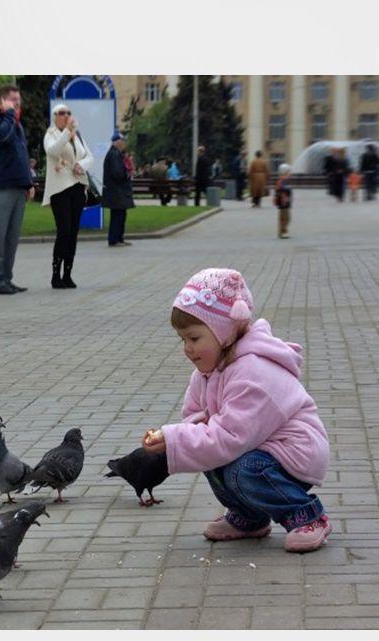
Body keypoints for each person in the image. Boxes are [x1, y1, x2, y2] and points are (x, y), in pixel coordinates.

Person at [141, 268, 331, 552]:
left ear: (224, 332)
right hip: (258, 449)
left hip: (294, 453)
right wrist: (180, 437)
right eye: (183, 340)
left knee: (243, 468)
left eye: (194, 338)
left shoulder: (253, 372)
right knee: (209, 456)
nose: (188, 349)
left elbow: (229, 437)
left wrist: (179, 438)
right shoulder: (205, 371)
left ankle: (307, 515)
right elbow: (195, 417)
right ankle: (250, 517)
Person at [0, 83, 34, 295]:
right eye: (13, 101)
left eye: (19, 101)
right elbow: (0, 137)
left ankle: (7, 278)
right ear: (3, 100)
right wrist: (10, 114)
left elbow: (21, 156)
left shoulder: (15, 123)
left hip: (17, 186)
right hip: (1, 186)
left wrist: (28, 182)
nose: (17, 105)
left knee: (11, 238)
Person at [42, 103, 94, 289]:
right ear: (55, 116)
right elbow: (53, 151)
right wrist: (66, 133)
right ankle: (56, 275)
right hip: (59, 188)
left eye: (68, 113)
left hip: (77, 186)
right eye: (62, 113)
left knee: (73, 232)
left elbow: (89, 156)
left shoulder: (76, 135)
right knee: (63, 231)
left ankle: (68, 274)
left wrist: (82, 165)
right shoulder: (51, 134)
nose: (66, 116)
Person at [102, 130, 135, 248]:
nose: (124, 143)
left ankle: (119, 239)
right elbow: (117, 174)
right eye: (122, 141)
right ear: (117, 142)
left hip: (117, 192)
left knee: (120, 215)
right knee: (117, 216)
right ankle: (114, 240)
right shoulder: (114, 155)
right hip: (117, 192)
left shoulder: (115, 154)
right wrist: (128, 173)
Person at [274, 162, 293, 239]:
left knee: (283, 218)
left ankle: (281, 232)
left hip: (284, 202)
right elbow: (280, 189)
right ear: (285, 172)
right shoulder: (282, 181)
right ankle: (283, 232)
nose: (290, 174)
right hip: (283, 202)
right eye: (289, 172)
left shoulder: (283, 180)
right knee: (286, 218)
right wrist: (288, 189)